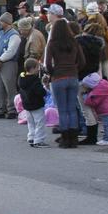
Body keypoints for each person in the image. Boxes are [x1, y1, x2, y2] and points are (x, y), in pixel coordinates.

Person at [44, 20, 85, 149]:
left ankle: (65, 138)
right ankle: (74, 138)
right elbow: (82, 61)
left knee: (62, 110)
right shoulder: (74, 42)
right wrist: (74, 69)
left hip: (58, 77)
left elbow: (48, 64)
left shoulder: (52, 44)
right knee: (72, 108)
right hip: (72, 76)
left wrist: (53, 73)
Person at [0, 12, 20, 119]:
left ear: (6, 22)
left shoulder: (14, 35)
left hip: (8, 64)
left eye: (1, 21)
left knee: (10, 87)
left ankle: (12, 109)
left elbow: (11, 51)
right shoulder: (0, 34)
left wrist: (0, 60)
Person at [81, 73, 108, 146]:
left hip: (106, 110)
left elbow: (93, 102)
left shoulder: (97, 92)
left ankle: (107, 139)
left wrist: (85, 97)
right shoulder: (103, 85)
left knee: (107, 125)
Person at [18, 58, 48, 147]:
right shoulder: (34, 80)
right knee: (40, 122)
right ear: (32, 69)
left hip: (27, 105)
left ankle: (31, 137)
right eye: (37, 67)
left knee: (31, 123)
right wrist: (45, 88)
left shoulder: (22, 78)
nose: (38, 69)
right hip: (36, 104)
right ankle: (38, 140)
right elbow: (40, 92)